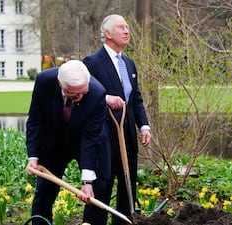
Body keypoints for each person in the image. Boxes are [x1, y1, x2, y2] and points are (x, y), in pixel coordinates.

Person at [83, 14, 152, 225]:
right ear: (107, 33)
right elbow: (83, 95)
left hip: (128, 139)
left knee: (127, 189)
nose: (127, 31)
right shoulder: (92, 63)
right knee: (102, 188)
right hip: (104, 139)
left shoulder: (129, 64)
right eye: (121, 27)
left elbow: (136, 99)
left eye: (128, 27)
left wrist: (144, 125)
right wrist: (105, 98)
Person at [25, 60, 111, 225]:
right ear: (60, 84)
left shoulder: (97, 93)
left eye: (83, 92)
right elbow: (35, 120)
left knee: (97, 189)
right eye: (74, 94)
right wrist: (33, 157)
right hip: (54, 140)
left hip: (86, 140)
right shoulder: (44, 81)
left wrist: (87, 181)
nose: (79, 98)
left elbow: (90, 139)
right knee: (45, 190)